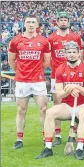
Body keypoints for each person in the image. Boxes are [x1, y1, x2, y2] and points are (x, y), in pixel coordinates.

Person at [36, 41, 84, 160]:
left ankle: (79, 148)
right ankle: (48, 148)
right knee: (49, 113)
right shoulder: (60, 69)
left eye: (74, 52)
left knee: (83, 115)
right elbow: (60, 94)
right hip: (67, 105)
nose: (72, 54)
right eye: (69, 52)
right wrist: (68, 91)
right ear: (65, 54)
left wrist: (76, 87)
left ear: (78, 54)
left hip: (83, 104)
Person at [8, 15, 51, 149]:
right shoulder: (15, 41)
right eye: (28, 22)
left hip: (38, 81)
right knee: (21, 110)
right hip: (22, 81)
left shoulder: (43, 41)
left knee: (44, 109)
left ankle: (46, 137)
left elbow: (47, 62)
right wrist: (21, 71)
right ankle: (19, 139)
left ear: (37, 24)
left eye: (33, 22)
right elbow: (11, 60)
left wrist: (36, 70)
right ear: (24, 24)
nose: (31, 24)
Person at [47, 11, 84, 145]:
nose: (63, 21)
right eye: (61, 19)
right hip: (57, 76)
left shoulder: (75, 37)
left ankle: (73, 133)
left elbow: (81, 55)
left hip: (74, 75)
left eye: (65, 19)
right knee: (58, 104)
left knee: (77, 103)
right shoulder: (50, 38)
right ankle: (57, 134)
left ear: (68, 21)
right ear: (57, 21)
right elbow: (48, 58)